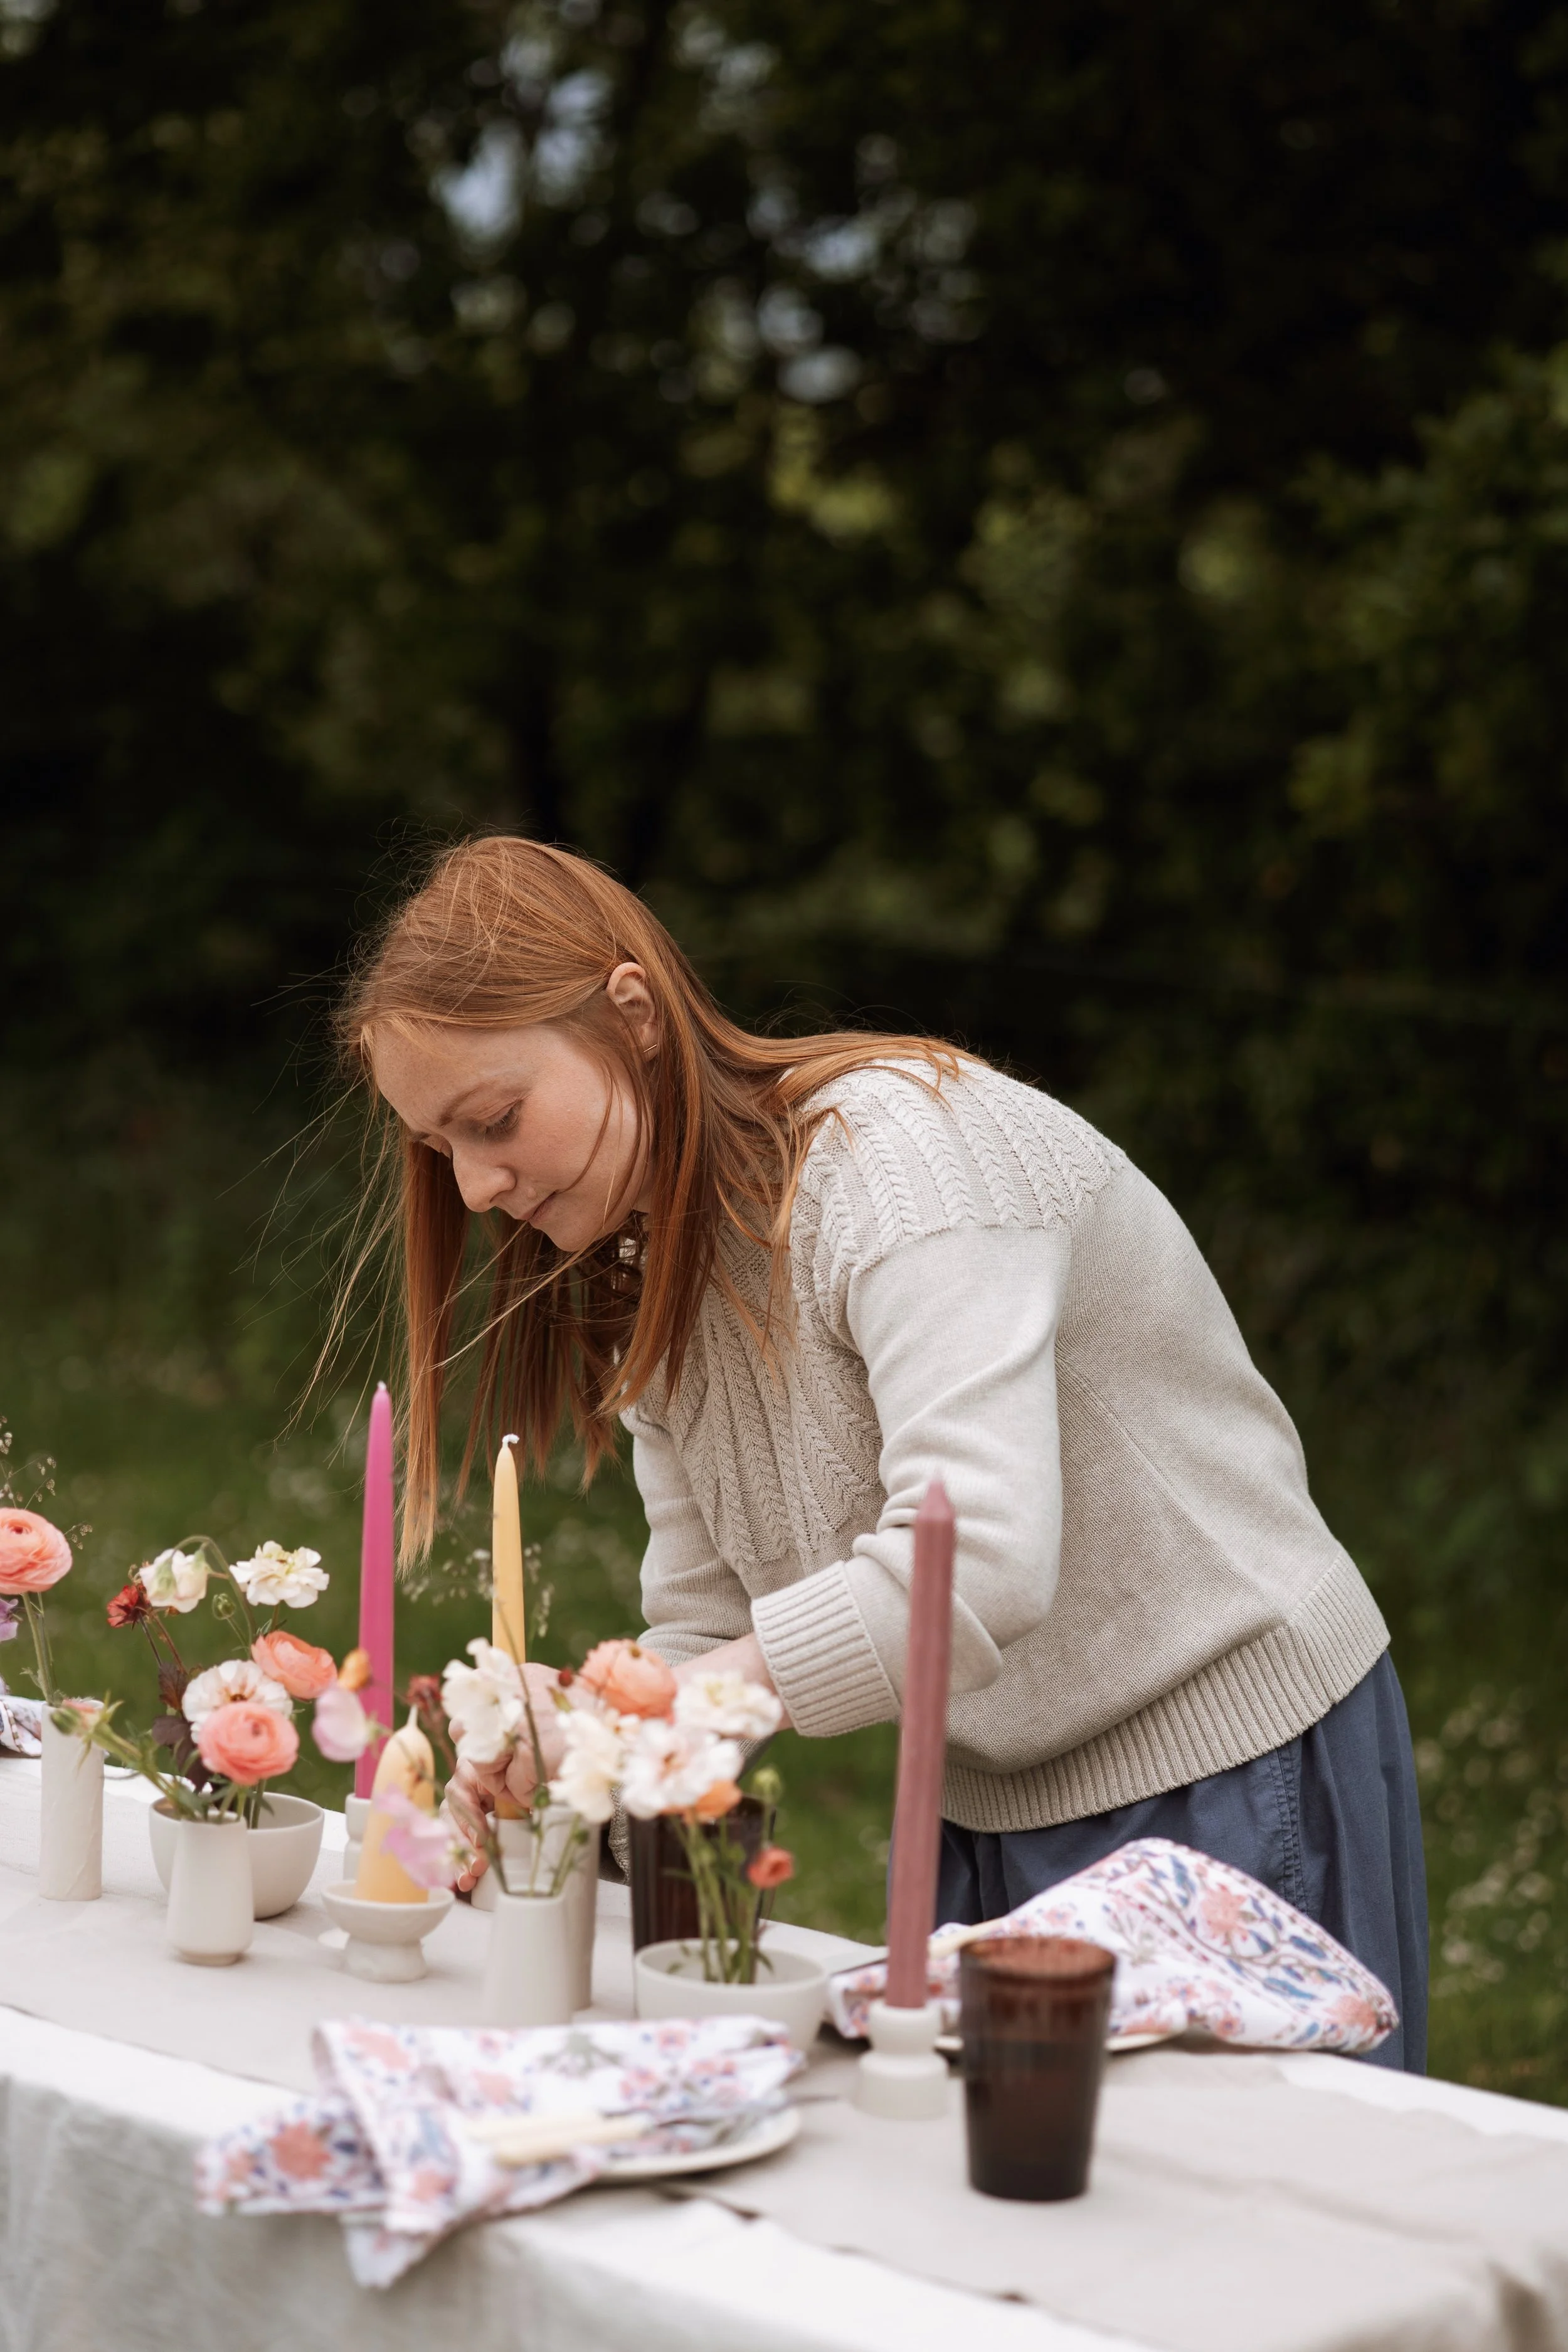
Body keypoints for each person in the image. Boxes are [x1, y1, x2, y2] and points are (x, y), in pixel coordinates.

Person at [345, 834, 1428, 2070]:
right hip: (985, 1801)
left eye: (494, 1120)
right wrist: (584, 1747)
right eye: (440, 1150)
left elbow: (975, 1566)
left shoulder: (905, 1162)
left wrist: (653, 1717)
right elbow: (702, 1644)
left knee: (1242, 2237)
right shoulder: (650, 1275)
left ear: (631, 1014)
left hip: (1223, 1771)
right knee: (1006, 2235)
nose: (476, 1188)